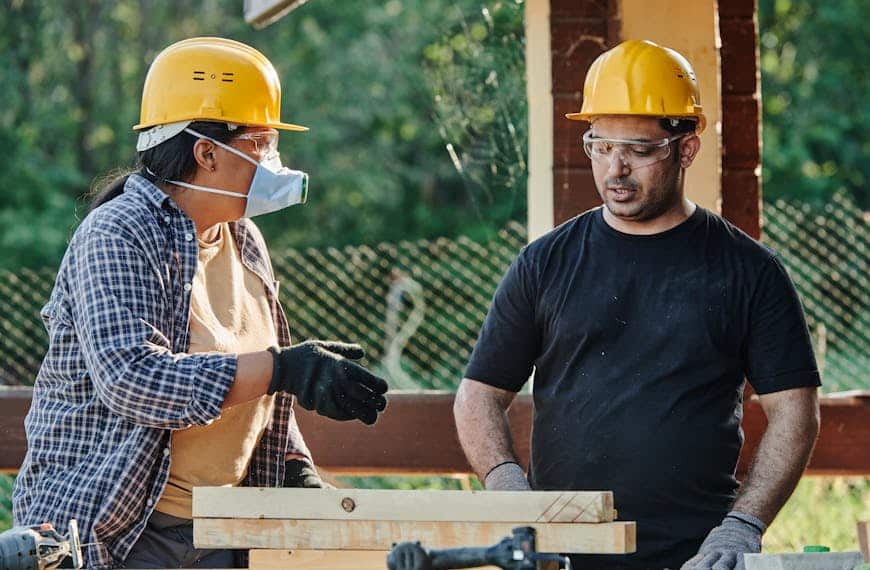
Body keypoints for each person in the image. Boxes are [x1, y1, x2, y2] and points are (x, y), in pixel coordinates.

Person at [13, 37, 388, 569]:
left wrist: (290, 459)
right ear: (207, 152)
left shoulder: (245, 238)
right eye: (260, 143)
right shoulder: (119, 234)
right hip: (118, 532)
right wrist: (286, 369)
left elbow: (259, 377)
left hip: (220, 525)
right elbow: (131, 380)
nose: (272, 161)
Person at [454, 40, 820, 570]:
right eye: (600, 146)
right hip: (563, 556)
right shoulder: (544, 263)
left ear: (686, 149)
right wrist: (512, 492)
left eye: (638, 150)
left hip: (694, 558)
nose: (615, 169)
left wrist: (742, 526)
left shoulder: (749, 271)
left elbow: (795, 413)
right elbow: (477, 396)